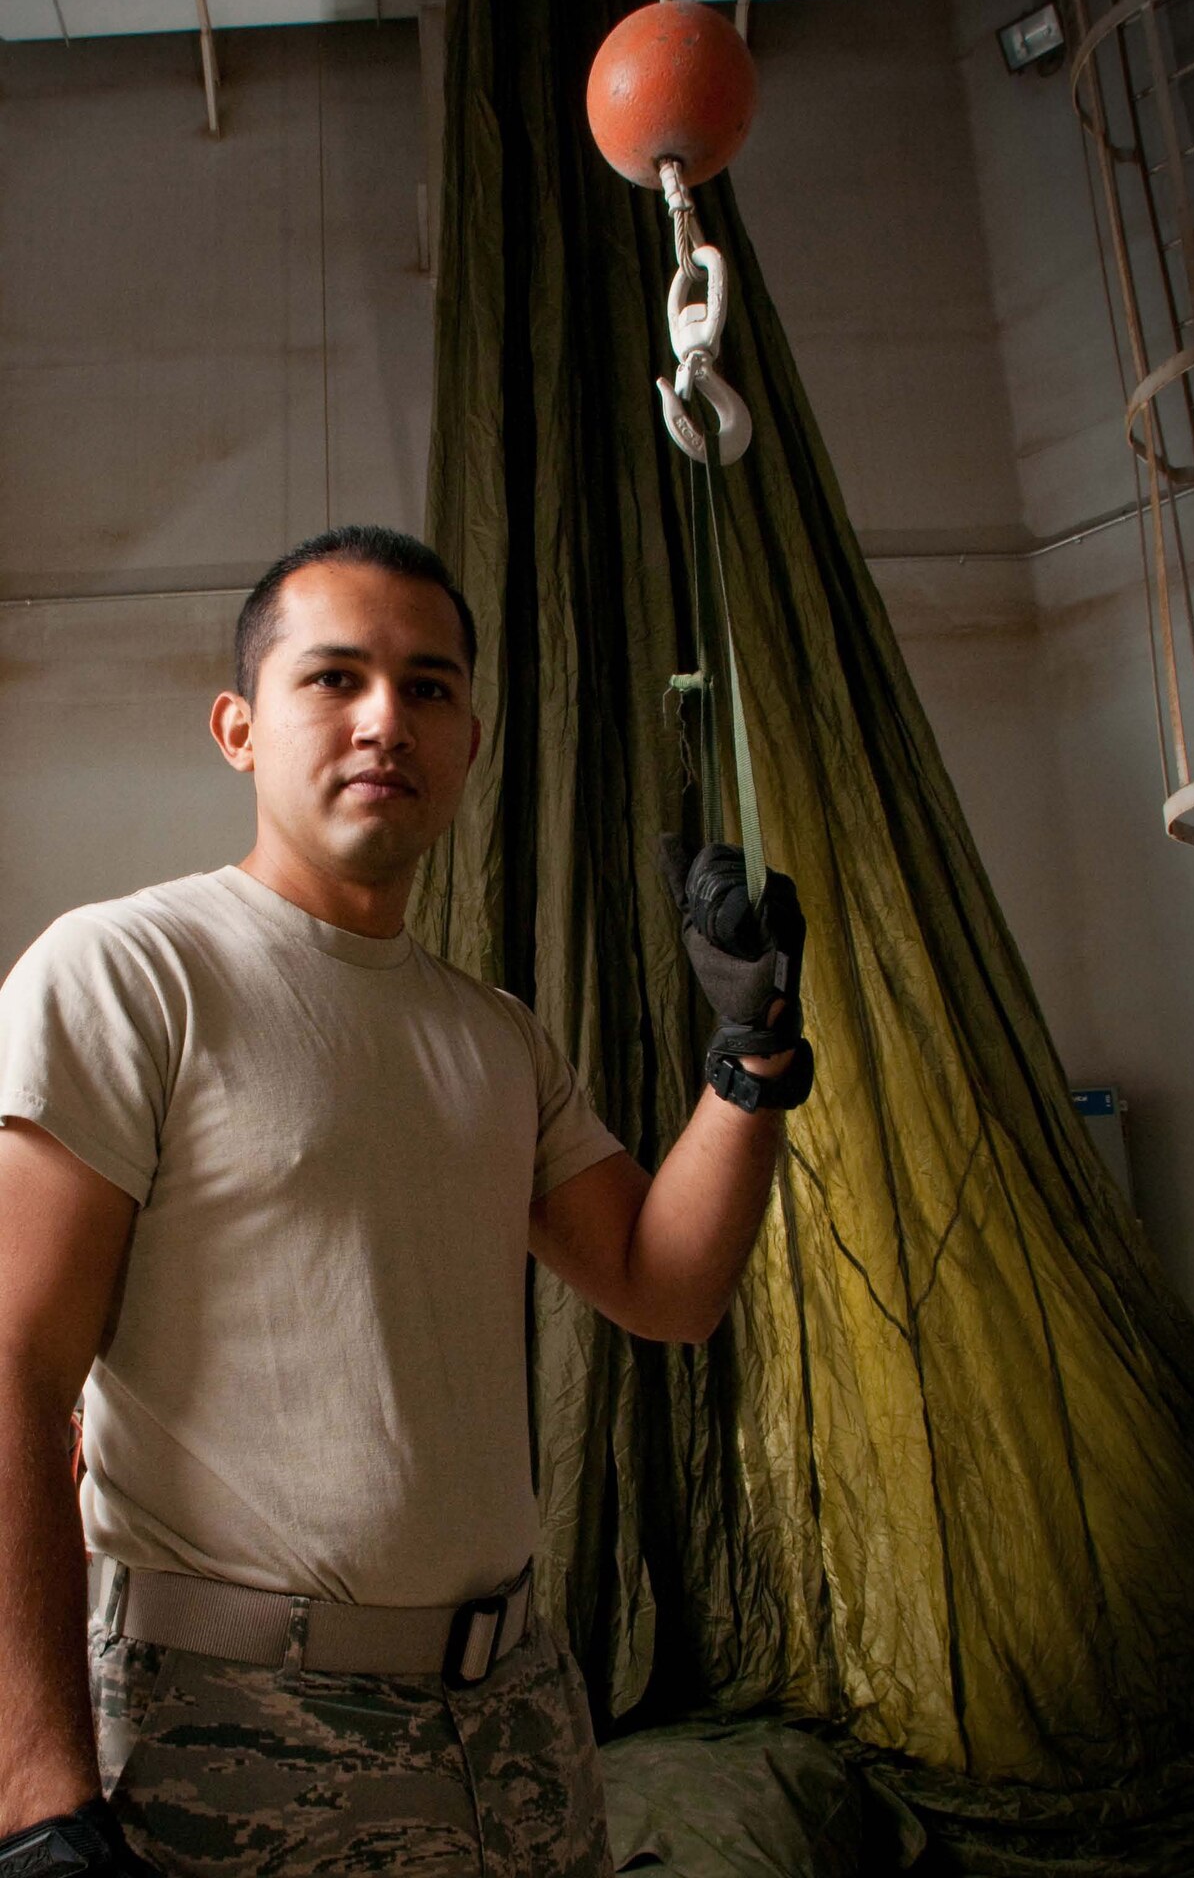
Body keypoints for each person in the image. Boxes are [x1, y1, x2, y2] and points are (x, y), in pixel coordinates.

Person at [0, 527, 812, 1876]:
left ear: (472, 742)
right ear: (239, 727)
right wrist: (35, 1800)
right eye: (335, 679)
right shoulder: (128, 973)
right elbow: (14, 1375)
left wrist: (757, 1057)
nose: (387, 719)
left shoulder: (494, 1037)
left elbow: (665, 1288)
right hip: (230, 1728)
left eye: (429, 687)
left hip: (514, 1722)